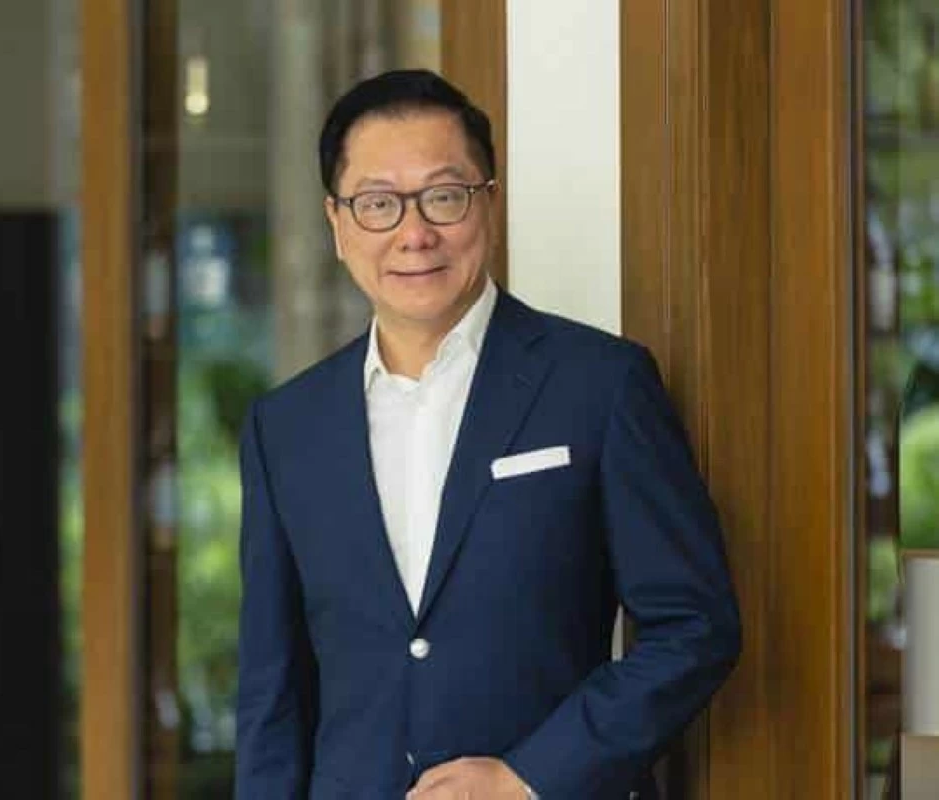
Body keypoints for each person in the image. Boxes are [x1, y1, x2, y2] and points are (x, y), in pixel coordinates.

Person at [234, 69, 741, 799]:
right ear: (337, 224)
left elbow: (694, 625)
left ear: (490, 204)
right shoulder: (286, 427)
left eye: (444, 196)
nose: (414, 234)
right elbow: (271, 693)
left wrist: (531, 776)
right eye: (378, 204)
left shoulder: (600, 384)